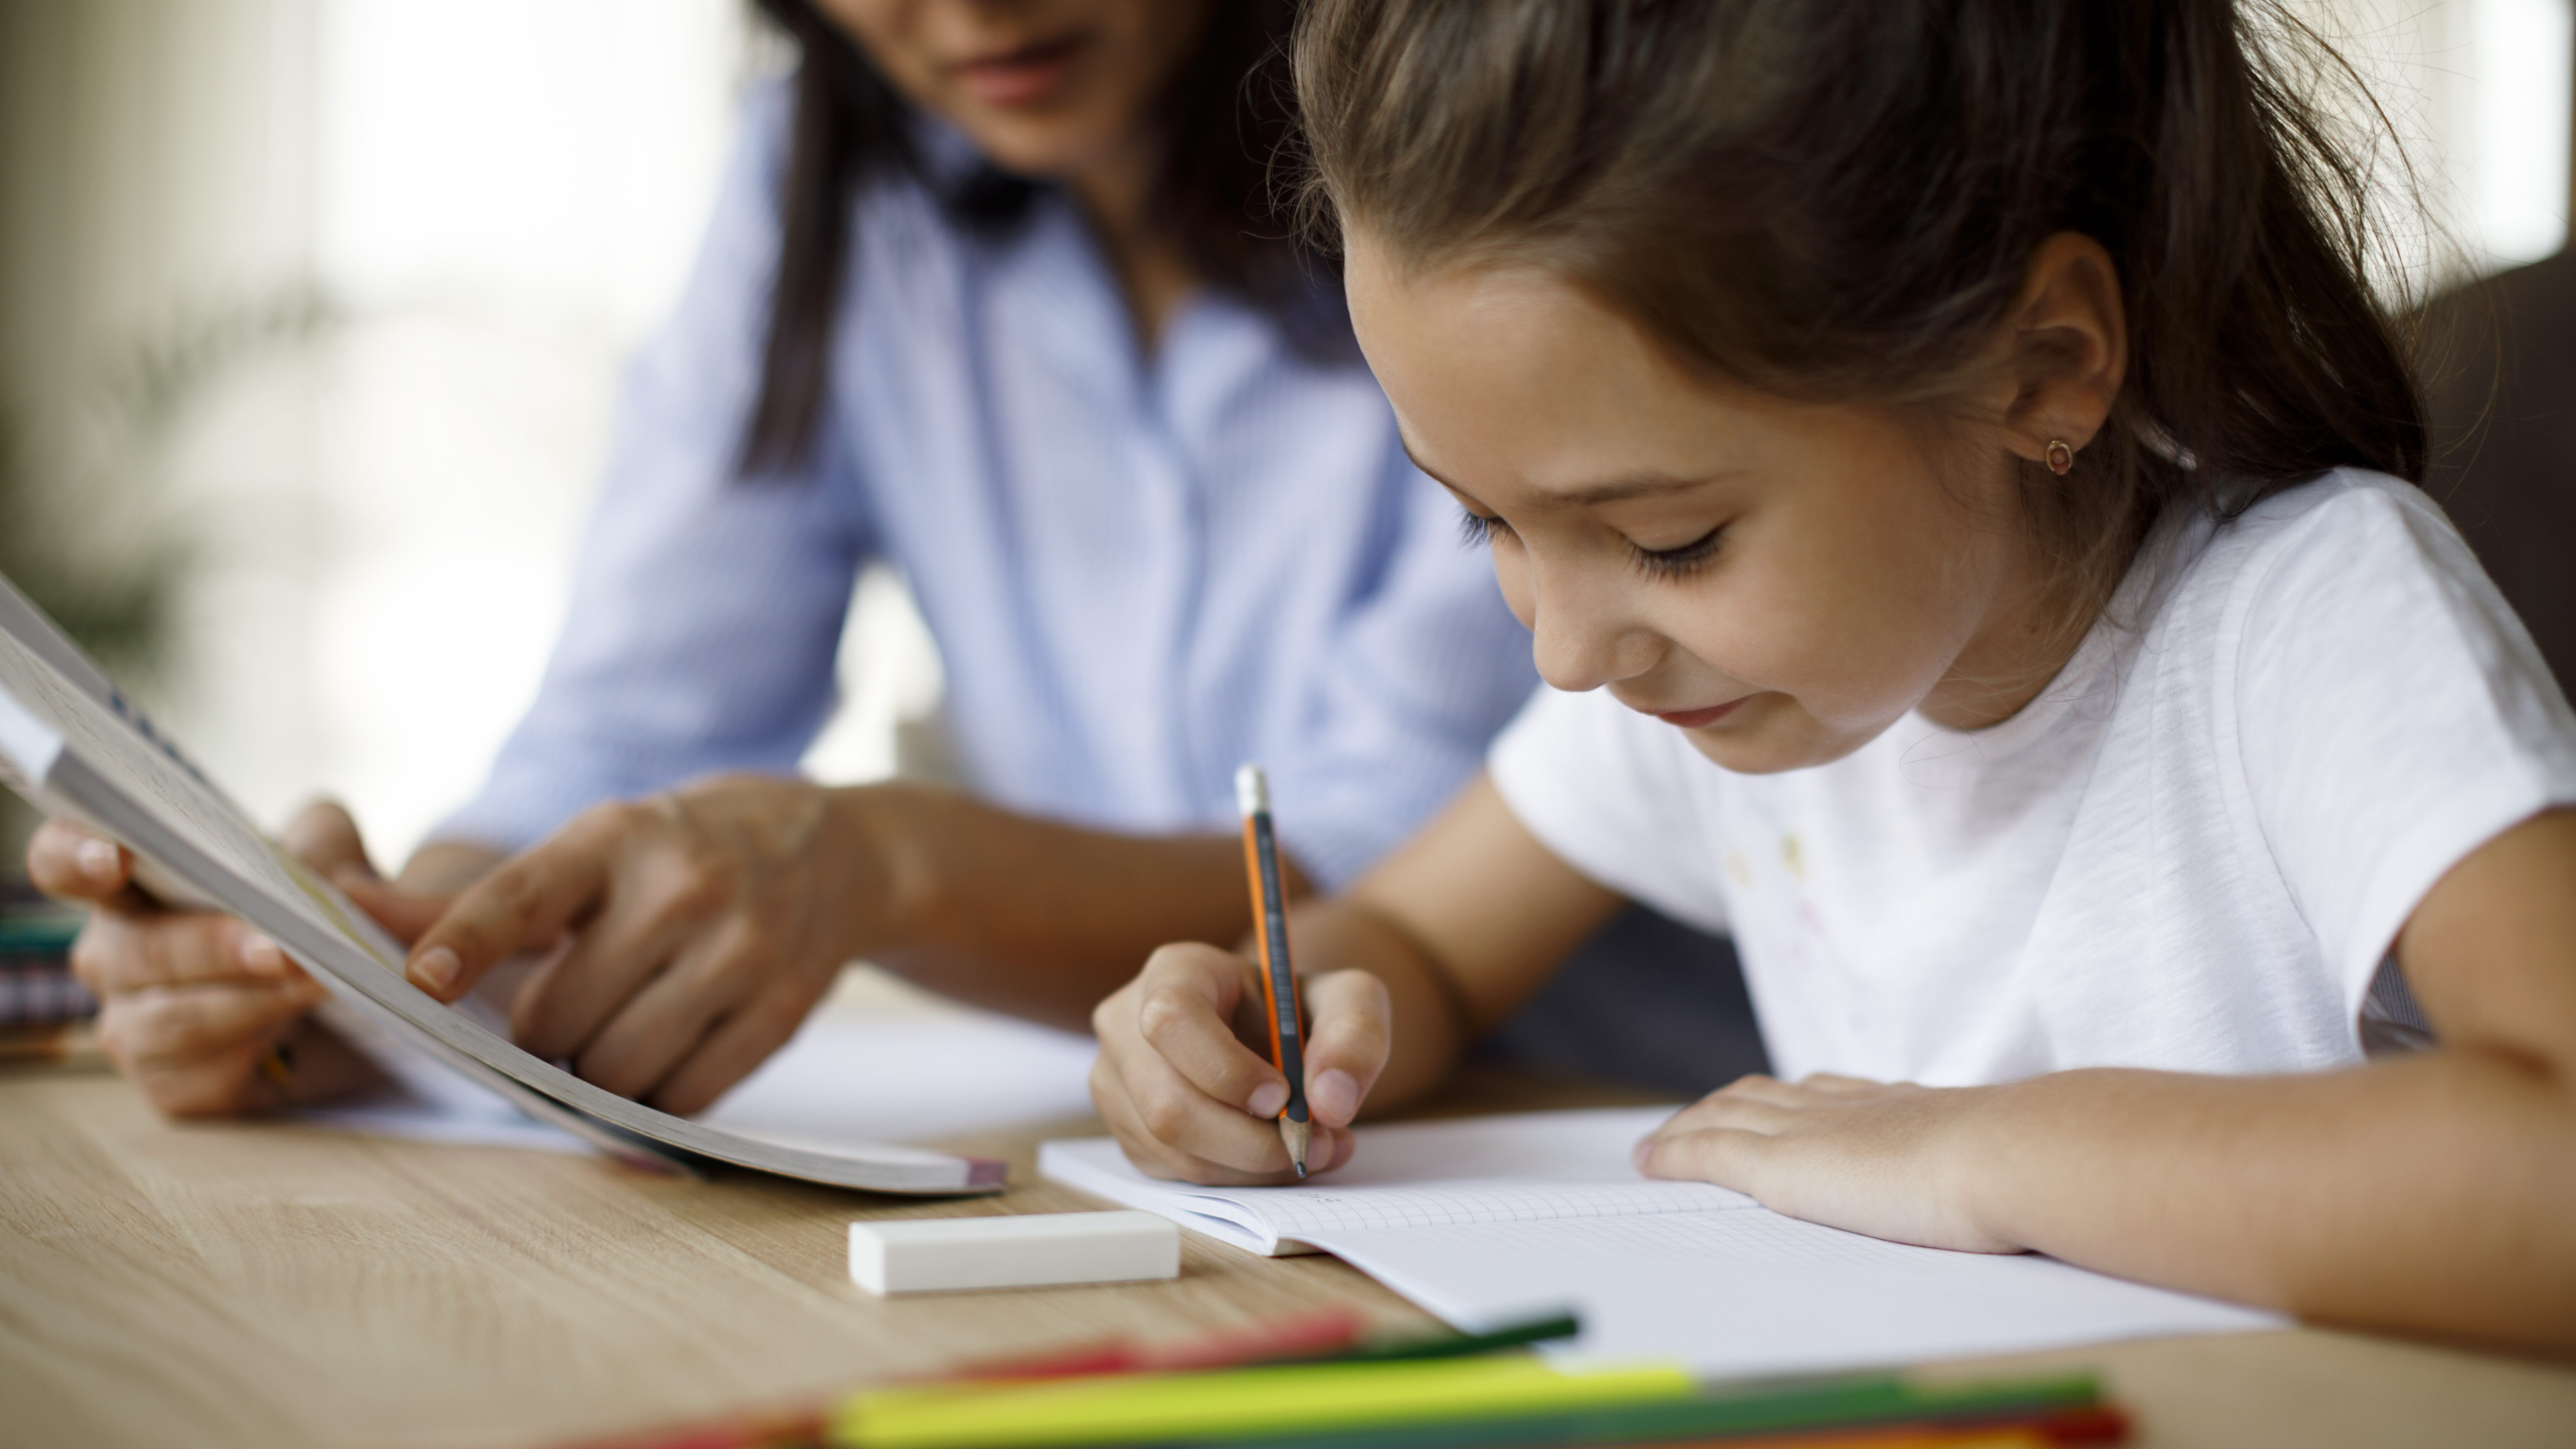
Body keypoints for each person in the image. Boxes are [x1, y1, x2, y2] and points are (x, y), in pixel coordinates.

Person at [1090, 0, 2576, 1353]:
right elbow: (1423, 938)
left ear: (2043, 370)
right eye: (1488, 519)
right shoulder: (1725, 684)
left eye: (1672, 539)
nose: (1565, 650)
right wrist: (1274, 1037)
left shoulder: (2308, 622)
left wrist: (1978, 1151)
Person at [28, 0, 1544, 1119]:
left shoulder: (1491, 143)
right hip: (1145, 1151)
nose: (963, 17)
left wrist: (883, 864)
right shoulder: (827, 181)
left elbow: (1402, 868)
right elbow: (626, 730)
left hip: (1562, 1118)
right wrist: (378, 967)